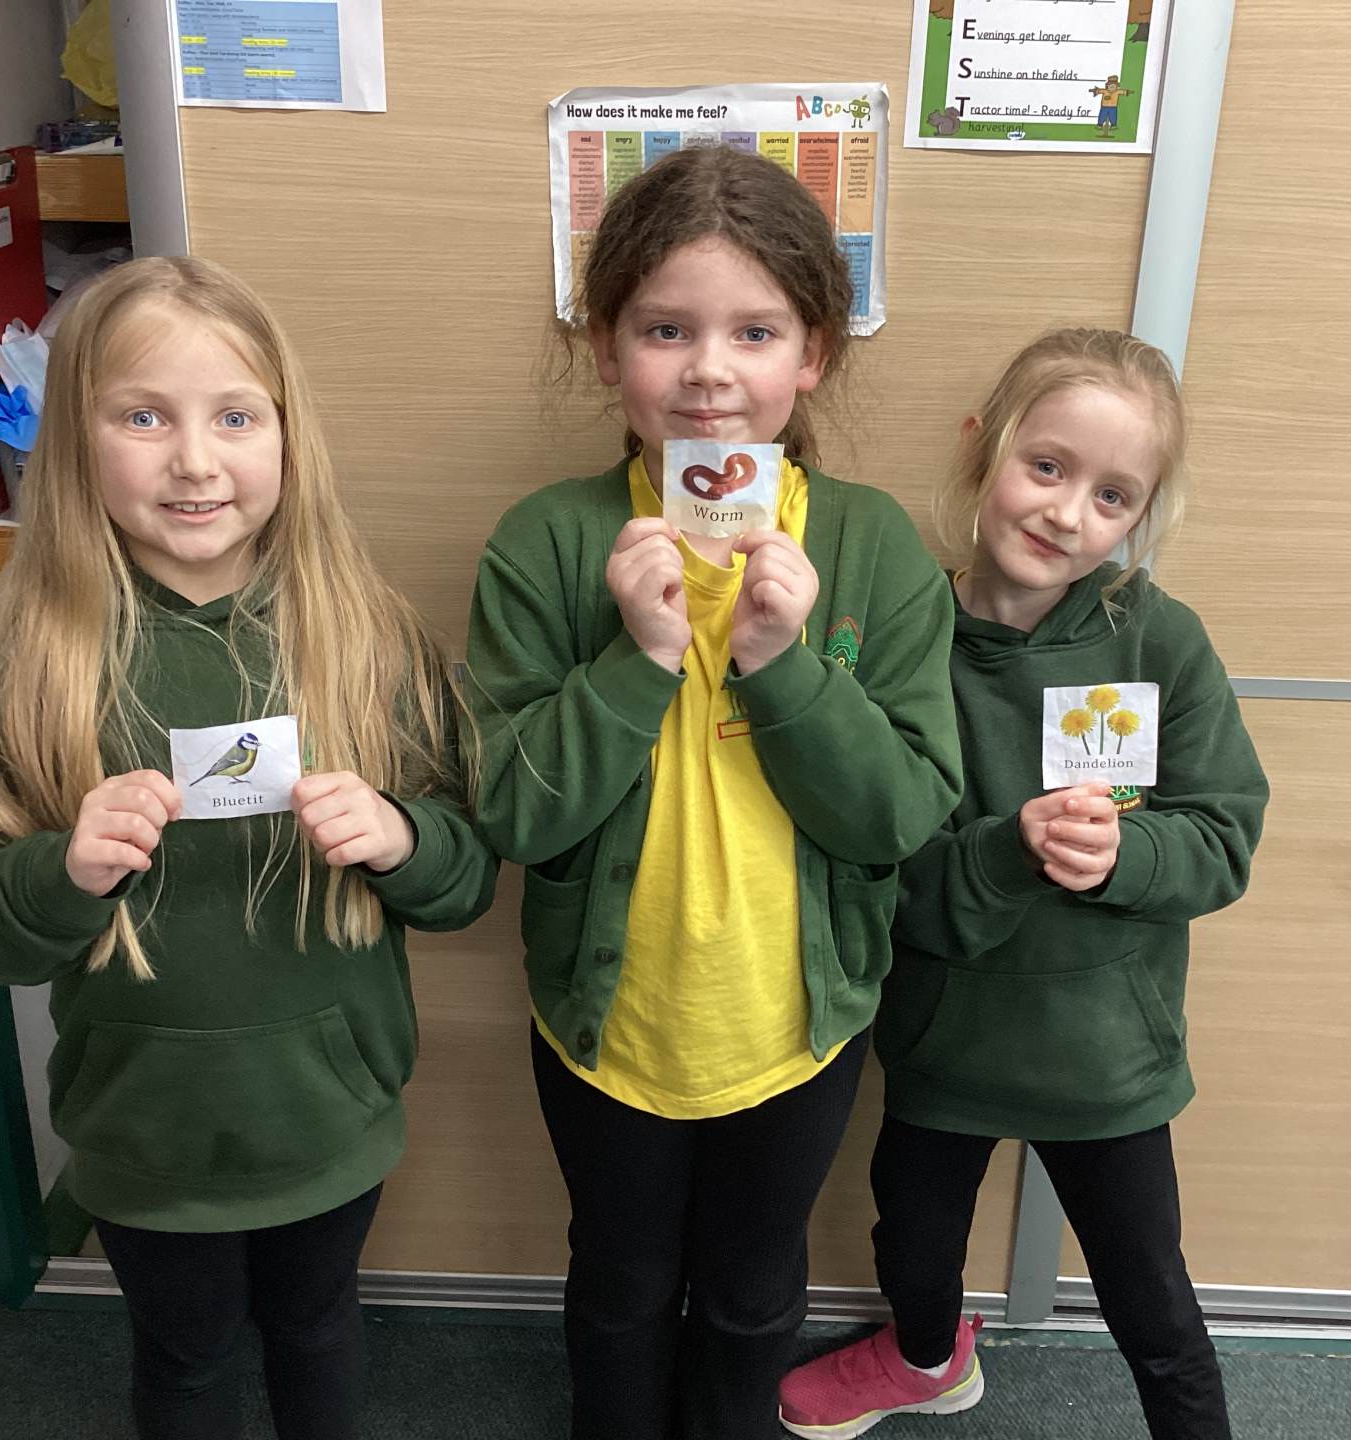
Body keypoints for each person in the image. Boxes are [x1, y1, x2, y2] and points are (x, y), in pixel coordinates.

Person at [0, 256, 496, 1440]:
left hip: (328, 1116)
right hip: (144, 1132)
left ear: (287, 436)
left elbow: (465, 878)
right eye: (144, 417)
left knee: (318, 1329)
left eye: (235, 417)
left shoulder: (365, 637)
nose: (195, 461)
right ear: (76, 442)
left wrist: (399, 838)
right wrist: (63, 868)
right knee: (183, 1360)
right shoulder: (23, 665)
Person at [466, 143, 962, 1439]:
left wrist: (787, 665)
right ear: (605, 350)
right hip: (608, 1023)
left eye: (756, 331)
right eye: (664, 329)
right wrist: (634, 660)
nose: (708, 370)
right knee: (621, 1284)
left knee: (751, 1293)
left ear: (814, 356)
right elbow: (514, 811)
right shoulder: (549, 543)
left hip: (795, 1024)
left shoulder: (871, 546)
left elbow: (903, 814)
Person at [779, 329, 1268, 1439]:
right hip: (944, 1043)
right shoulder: (902, 632)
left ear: (1139, 517)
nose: (1066, 514)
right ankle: (924, 1361)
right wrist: (1006, 851)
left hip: (1106, 1059)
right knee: (911, 1240)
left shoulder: (1157, 641)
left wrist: (1129, 855)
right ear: (981, 450)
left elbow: (1223, 834)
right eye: (1046, 467)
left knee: (1150, 1297)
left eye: (1112, 496)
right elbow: (874, 862)